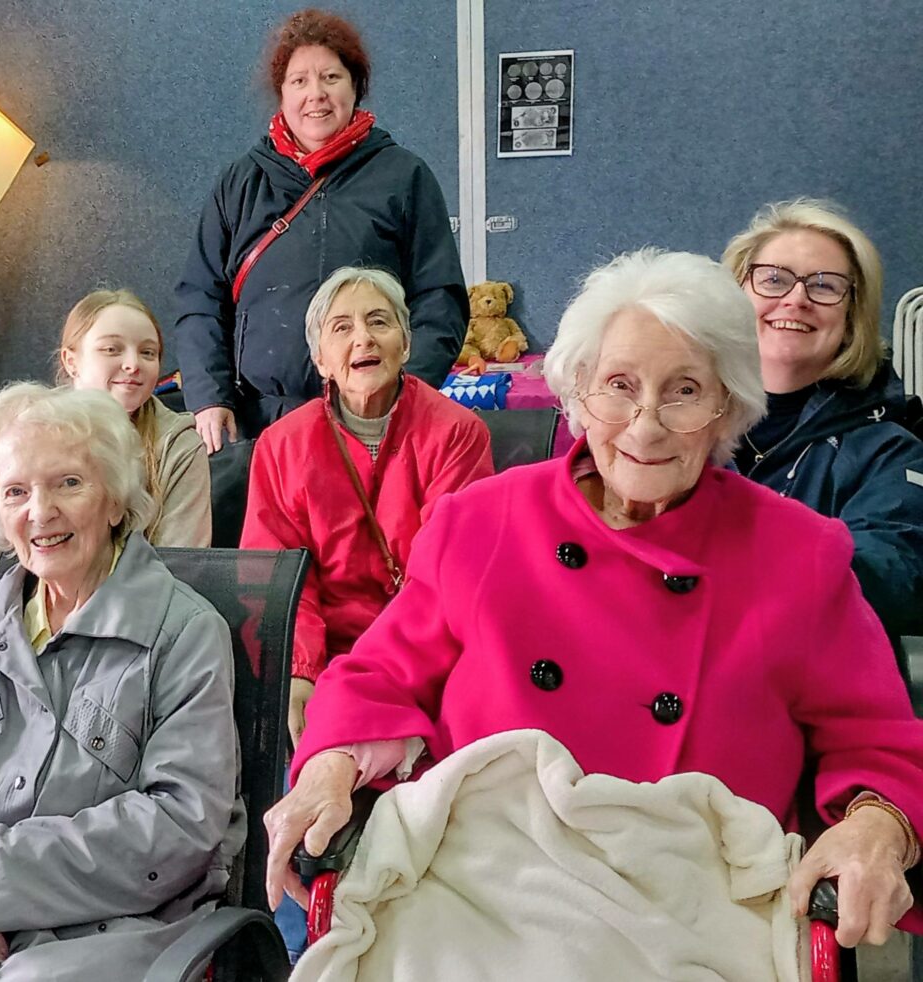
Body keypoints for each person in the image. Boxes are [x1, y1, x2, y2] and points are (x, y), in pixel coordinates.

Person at [264, 249, 923, 950]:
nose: (645, 425)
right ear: (578, 390)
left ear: (729, 404)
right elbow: (380, 675)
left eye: (684, 391)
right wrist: (329, 771)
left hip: (692, 916)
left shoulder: (798, 552)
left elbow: (877, 739)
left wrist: (876, 826)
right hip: (477, 898)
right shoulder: (481, 521)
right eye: (619, 385)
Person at [0, 383, 240, 981]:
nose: (40, 511)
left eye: (69, 483)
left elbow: (182, 823)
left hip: (102, 935)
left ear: (115, 500)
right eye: (16, 492)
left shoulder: (183, 633)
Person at [174, 8, 468, 452]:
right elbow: (200, 297)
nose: (316, 95)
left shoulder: (404, 176)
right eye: (299, 81)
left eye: (331, 77)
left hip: (374, 426)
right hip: (261, 427)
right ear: (282, 93)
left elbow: (439, 298)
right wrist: (209, 398)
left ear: (355, 87)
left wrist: (404, 397)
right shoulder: (239, 184)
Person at [240, 266, 493, 750]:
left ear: (405, 343)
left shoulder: (458, 433)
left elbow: (451, 574)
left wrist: (388, 679)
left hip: (428, 651)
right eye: (342, 327)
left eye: (379, 322)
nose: (363, 339)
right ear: (320, 359)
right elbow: (273, 576)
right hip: (325, 656)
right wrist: (299, 672)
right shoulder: (280, 446)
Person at [723, 199, 923, 644]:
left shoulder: (889, 451)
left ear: (852, 316)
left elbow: (896, 572)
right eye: (773, 279)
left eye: (824, 286)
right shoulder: (679, 425)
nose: (796, 299)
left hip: (816, 698)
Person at [0, 289, 211, 592]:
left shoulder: (179, 444)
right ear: (71, 360)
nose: (133, 364)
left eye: (148, 352)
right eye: (112, 349)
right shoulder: (20, 432)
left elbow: (182, 565)